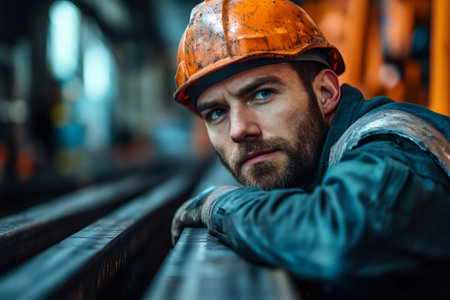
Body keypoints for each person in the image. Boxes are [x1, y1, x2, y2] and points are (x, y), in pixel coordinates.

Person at [170, 0, 450, 298]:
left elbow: (335, 239)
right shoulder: (318, 162)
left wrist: (217, 204)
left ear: (326, 93)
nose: (239, 130)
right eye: (216, 113)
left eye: (262, 94)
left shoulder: (396, 147)